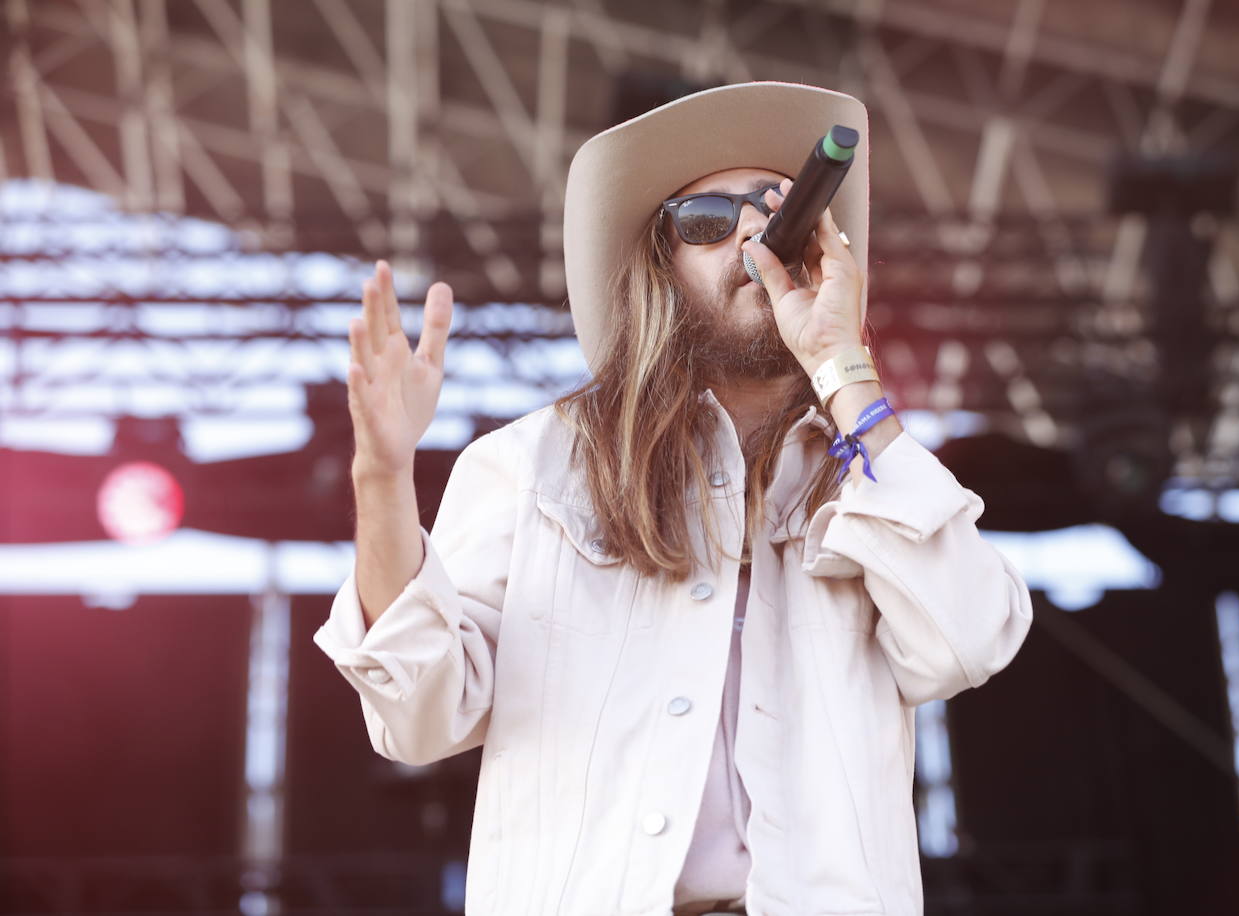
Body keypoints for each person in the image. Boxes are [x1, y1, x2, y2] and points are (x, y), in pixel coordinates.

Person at [313, 81, 1034, 916]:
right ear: (659, 264)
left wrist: (844, 366)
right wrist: (380, 475)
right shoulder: (533, 462)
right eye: (707, 222)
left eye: (776, 210)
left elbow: (972, 637)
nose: (754, 236)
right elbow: (418, 711)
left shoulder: (869, 474)